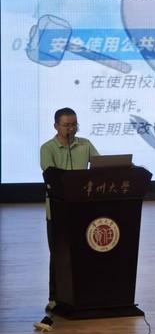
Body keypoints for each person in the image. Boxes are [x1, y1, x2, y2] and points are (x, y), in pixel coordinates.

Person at [40, 107, 99, 312]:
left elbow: (100, 166)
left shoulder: (85, 144)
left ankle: (84, 293)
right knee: (58, 254)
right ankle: (55, 297)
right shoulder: (47, 148)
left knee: (84, 252)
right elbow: (51, 175)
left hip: (83, 210)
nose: (71, 128)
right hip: (57, 211)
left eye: (74, 124)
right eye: (66, 125)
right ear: (56, 126)